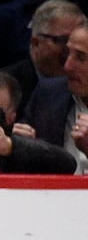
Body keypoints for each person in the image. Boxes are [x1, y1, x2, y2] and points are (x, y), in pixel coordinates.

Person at [20, 18, 88, 174]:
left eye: (81, 57)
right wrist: (17, 145)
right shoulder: (49, 94)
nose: (67, 66)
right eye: (68, 53)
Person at [0, 0, 86, 109]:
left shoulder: (80, 84)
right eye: (63, 40)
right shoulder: (6, 86)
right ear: (36, 43)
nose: (69, 48)